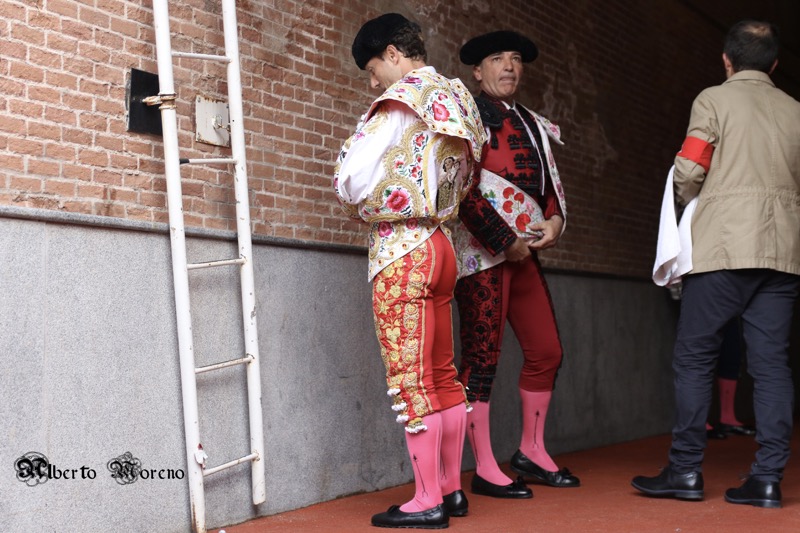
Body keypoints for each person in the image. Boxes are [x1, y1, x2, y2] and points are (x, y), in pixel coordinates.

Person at [632, 20, 800, 509]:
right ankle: (767, 479)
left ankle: (685, 471)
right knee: (771, 365)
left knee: (695, 356)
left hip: (724, 248)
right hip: (783, 252)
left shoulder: (713, 100)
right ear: (774, 64)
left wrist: (689, 202)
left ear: (727, 60)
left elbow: (689, 169)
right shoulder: (795, 110)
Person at [333, 13, 486, 528]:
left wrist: (361, 196)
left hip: (402, 247)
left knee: (411, 380)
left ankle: (427, 499)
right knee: (443, 374)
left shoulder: (401, 101)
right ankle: (451, 489)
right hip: (443, 243)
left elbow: (352, 179)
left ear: (393, 55)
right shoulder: (457, 96)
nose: (372, 82)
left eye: (372, 68)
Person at [450, 30, 578, 499]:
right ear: (477, 71)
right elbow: (461, 189)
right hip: (482, 256)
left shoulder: (532, 122)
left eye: (516, 58)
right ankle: (485, 467)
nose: (509, 66)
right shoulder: (466, 117)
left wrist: (556, 222)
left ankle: (532, 450)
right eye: (497, 59)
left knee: (547, 351)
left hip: (525, 255)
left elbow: (548, 189)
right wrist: (506, 241)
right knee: (481, 361)